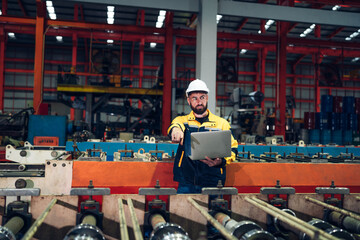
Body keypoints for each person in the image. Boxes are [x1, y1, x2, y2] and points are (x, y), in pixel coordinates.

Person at [167, 79, 238, 193]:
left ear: (207, 98)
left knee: (213, 211)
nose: (199, 101)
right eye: (194, 98)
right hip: (187, 181)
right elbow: (174, 126)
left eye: (202, 97)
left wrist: (221, 161)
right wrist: (176, 130)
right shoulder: (182, 121)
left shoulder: (221, 123)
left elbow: (233, 148)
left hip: (213, 181)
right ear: (188, 100)